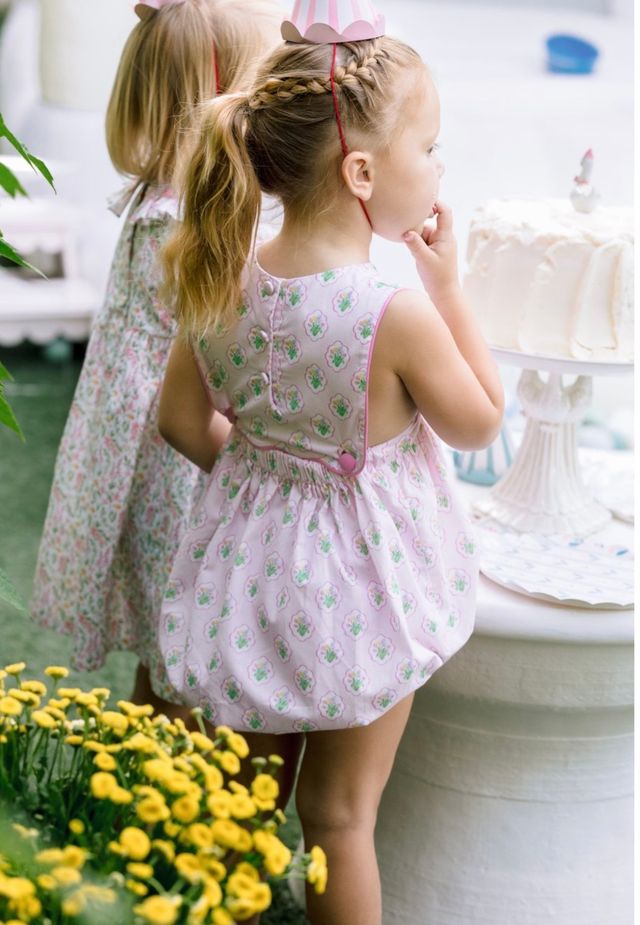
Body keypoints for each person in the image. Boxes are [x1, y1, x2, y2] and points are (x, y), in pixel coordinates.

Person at [154, 27, 504, 925]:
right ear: (361, 173)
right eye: (428, 147)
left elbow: (182, 421)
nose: (437, 167)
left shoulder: (222, 275)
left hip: (247, 577)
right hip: (362, 592)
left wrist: (264, 478)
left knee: (240, 804)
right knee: (340, 819)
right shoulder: (397, 312)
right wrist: (450, 288)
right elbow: (479, 422)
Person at [30, 0, 282, 716]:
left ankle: (143, 747)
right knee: (187, 651)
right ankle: (167, 769)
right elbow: (226, 344)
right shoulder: (188, 223)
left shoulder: (161, 195)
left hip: (143, 450)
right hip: (175, 460)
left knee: (165, 652)